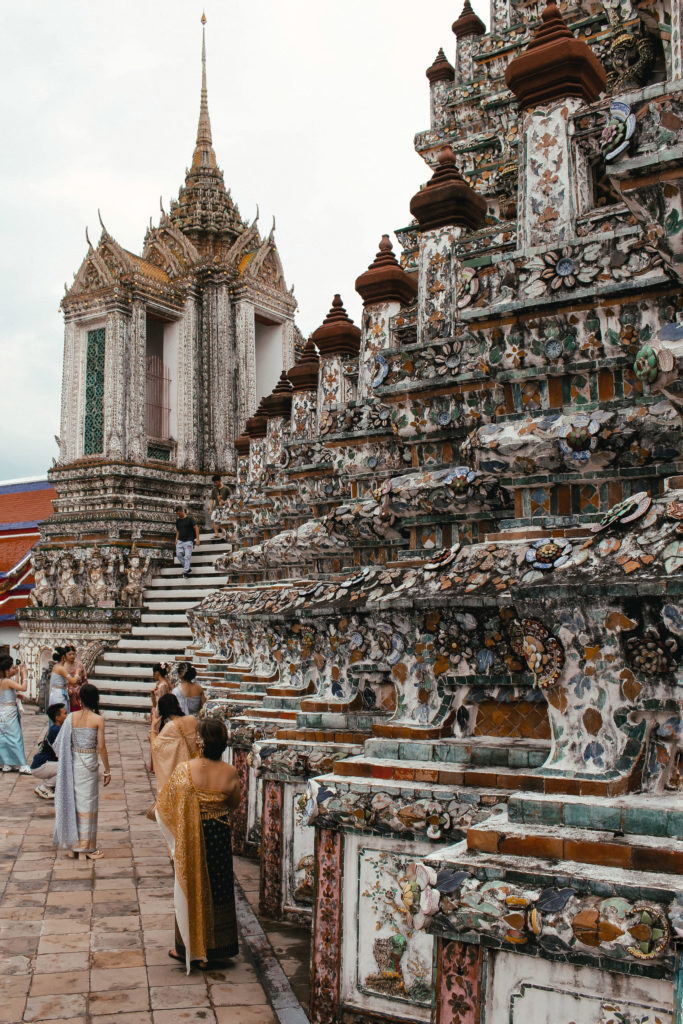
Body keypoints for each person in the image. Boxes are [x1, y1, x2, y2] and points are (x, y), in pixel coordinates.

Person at [156, 718, 241, 971]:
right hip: (218, 834)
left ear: (201, 742)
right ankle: (215, 948)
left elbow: (165, 805)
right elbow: (234, 803)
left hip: (193, 835)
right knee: (217, 889)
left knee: (192, 886)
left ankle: (190, 948)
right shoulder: (230, 772)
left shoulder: (185, 769)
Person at [53, 682, 111, 860]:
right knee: (88, 803)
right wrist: (107, 770)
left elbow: (61, 743)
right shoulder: (98, 719)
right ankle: (87, 847)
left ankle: (74, 845)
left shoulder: (71, 717)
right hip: (89, 762)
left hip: (75, 762)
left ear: (79, 699)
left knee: (76, 802)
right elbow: (101, 747)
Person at [150, 692, 199, 793]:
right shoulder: (192, 719)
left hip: (181, 774)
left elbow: (156, 746)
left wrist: (153, 728)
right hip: (195, 770)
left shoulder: (170, 726)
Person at [0, 657, 31, 774]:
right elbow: (23, 688)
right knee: (15, 737)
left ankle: (7, 763)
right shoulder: (7, 681)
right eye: (12, 668)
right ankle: (22, 764)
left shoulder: (3, 681)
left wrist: (16, 695)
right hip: (9, 712)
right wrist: (25, 675)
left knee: (4, 738)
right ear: (6, 671)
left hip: (2, 711)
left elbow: (11, 689)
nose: (14, 669)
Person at [32, 703, 67, 799]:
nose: (67, 716)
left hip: (42, 764)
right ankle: (44, 787)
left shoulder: (55, 728)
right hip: (41, 765)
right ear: (57, 717)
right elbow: (61, 752)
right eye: (65, 713)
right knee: (67, 768)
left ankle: (52, 786)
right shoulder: (57, 730)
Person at [148, 662, 172, 771]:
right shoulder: (161, 684)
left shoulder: (163, 685)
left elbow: (161, 703)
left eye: (154, 673)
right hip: (157, 710)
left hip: (160, 712)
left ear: (157, 673)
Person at [175, 506, 200, 579]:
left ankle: (185, 571)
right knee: (179, 555)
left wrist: (197, 539)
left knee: (187, 556)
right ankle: (187, 568)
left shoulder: (190, 519)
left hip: (189, 540)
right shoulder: (178, 521)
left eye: (177, 512)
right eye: (176, 512)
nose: (177, 513)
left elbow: (196, 528)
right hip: (180, 540)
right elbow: (178, 530)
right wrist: (176, 539)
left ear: (181, 511)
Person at [209, 474, 229, 543]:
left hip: (225, 508)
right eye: (214, 482)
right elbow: (212, 499)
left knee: (223, 521)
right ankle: (216, 533)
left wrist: (225, 502)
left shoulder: (226, 489)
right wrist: (210, 509)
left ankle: (224, 534)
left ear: (220, 481)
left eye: (216, 482)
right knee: (212, 519)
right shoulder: (214, 490)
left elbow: (231, 499)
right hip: (217, 507)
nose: (215, 484)